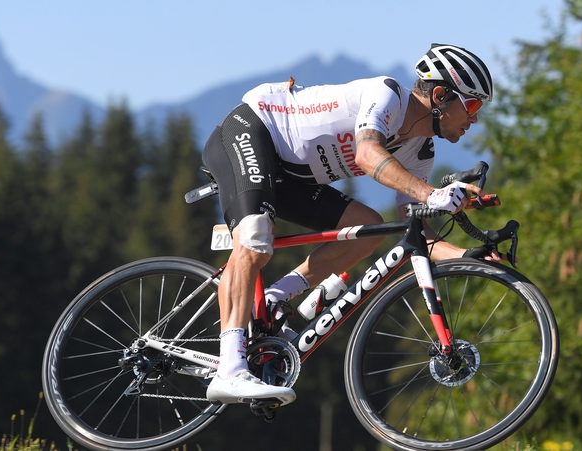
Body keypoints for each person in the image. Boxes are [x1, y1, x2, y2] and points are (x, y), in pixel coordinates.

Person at [202, 43, 503, 406]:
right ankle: (229, 369)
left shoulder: (421, 151)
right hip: (252, 131)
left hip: (289, 176)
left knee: (367, 229)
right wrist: (432, 194)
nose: (474, 119)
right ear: (440, 95)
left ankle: (274, 298)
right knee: (254, 239)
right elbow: (367, 153)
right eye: (472, 106)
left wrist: (467, 256)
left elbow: (416, 233)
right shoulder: (387, 95)